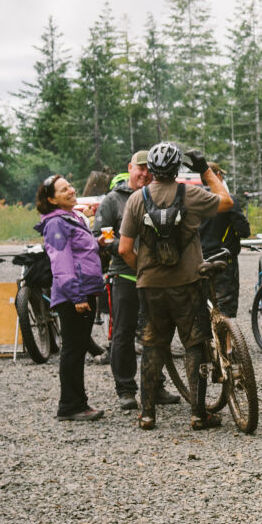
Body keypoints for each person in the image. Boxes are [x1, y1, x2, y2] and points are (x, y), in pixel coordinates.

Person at [117, 142, 233, 430]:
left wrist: (143, 270)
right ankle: (198, 413)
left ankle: (147, 415)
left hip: (149, 286)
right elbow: (226, 201)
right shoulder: (190, 194)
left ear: (152, 169)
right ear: (177, 168)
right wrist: (205, 169)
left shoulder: (136, 199)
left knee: (152, 345)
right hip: (188, 282)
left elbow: (124, 249)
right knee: (194, 344)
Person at [96, 151, 178, 412]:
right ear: (130, 168)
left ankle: (156, 385)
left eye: (149, 170)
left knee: (157, 333)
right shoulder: (112, 200)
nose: (144, 174)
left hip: (157, 278)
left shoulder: (157, 196)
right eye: (139, 169)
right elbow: (102, 236)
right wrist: (124, 249)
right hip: (125, 275)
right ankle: (126, 389)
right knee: (122, 333)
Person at [35, 175, 106, 422]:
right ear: (51, 199)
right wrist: (76, 296)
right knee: (73, 351)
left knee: (76, 349)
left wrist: (97, 243)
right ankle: (70, 405)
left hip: (85, 290)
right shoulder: (55, 224)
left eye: (70, 186)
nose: (71, 191)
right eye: (63, 190)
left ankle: (78, 402)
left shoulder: (72, 217)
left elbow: (78, 251)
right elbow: (61, 262)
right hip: (73, 295)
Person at [197, 164, 252, 317]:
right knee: (225, 308)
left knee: (202, 304)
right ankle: (225, 340)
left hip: (199, 259)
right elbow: (244, 231)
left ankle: (207, 339)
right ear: (218, 175)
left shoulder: (195, 200)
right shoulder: (228, 201)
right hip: (223, 261)